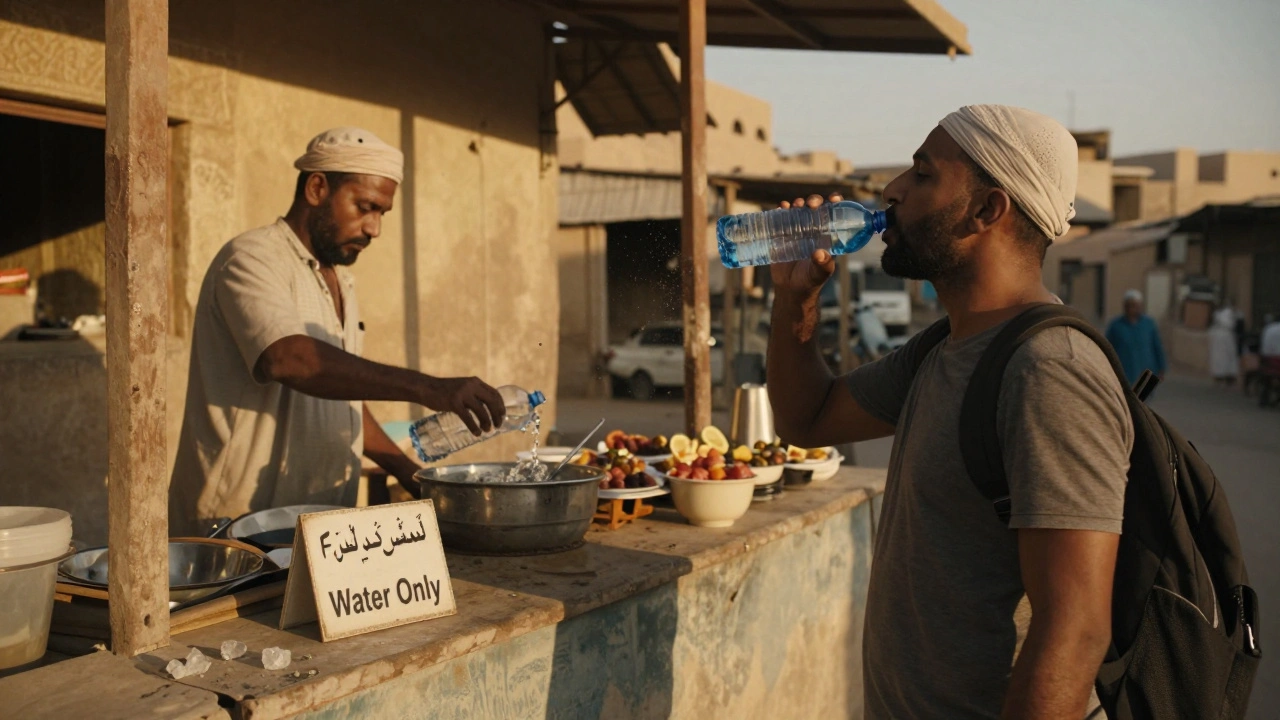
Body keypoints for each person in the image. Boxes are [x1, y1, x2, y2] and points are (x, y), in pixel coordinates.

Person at [768, 105, 1128, 719]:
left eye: (922, 174)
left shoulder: (1049, 370)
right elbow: (809, 418)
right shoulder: (943, 348)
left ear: (987, 210)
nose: (892, 190)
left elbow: (1075, 630)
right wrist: (795, 299)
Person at [170, 127, 507, 536]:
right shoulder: (251, 258)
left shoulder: (340, 282)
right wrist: (427, 387)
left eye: (382, 213)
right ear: (316, 189)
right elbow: (288, 359)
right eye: (366, 207)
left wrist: (409, 472)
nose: (374, 228)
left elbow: (342, 400)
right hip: (238, 527)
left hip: (321, 527)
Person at [1104, 289, 1167, 387]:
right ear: (1125, 306)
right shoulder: (1116, 326)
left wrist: (1162, 368)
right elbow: (1107, 348)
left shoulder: (1149, 324)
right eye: (1130, 305)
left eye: (1136, 305)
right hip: (1123, 375)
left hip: (1146, 374)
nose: (1133, 309)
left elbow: (1157, 347)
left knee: (1144, 396)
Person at [1208, 301, 1240, 386]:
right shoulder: (1227, 313)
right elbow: (1229, 324)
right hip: (1224, 337)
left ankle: (1225, 375)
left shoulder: (1222, 314)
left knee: (1225, 357)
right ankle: (1222, 375)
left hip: (1223, 337)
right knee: (1223, 357)